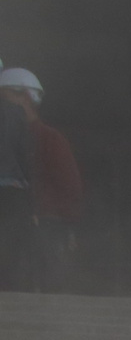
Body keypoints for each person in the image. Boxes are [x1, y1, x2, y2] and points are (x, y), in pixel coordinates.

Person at [0, 70, 83, 290]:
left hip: (42, 237)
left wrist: (32, 212)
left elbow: (70, 191)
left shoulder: (49, 139)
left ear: (26, 97)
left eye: (3, 96)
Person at [0, 68, 41, 292]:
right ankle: (8, 288)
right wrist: (31, 202)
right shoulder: (16, 114)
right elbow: (24, 156)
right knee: (10, 244)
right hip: (12, 188)